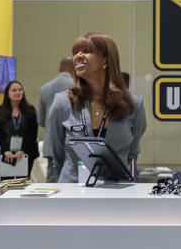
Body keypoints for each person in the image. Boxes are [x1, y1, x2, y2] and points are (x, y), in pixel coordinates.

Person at [46, 32, 146, 183]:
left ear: (105, 60)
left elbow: (132, 153)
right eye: (75, 52)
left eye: (86, 51)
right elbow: (57, 153)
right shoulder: (62, 102)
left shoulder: (134, 104)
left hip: (116, 193)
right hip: (73, 191)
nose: (78, 56)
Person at [0, 80, 40, 177]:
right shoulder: (0, 110)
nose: (18, 92)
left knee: (23, 181)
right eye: (14, 90)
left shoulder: (30, 110)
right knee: (7, 180)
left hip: (26, 153)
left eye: (20, 90)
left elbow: (33, 134)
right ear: (8, 94)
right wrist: (5, 150)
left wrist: (23, 150)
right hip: (6, 153)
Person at [39, 57, 76, 177]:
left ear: (60, 69)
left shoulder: (44, 88)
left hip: (51, 144)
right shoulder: (77, 87)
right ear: (73, 69)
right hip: (73, 144)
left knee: (52, 184)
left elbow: (41, 120)